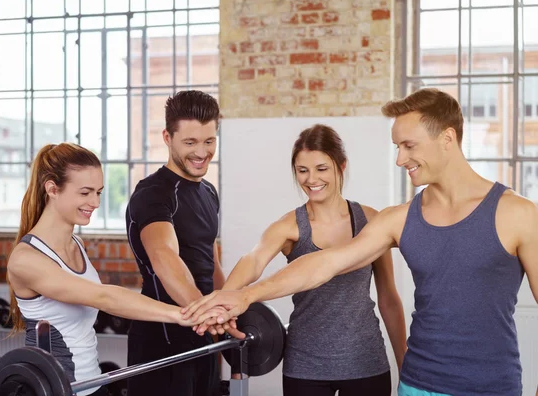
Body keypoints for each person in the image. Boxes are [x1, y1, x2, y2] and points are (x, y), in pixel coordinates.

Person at [183, 88, 538, 396]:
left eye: (409, 146)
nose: (400, 159)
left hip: (489, 387)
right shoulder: (398, 219)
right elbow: (325, 263)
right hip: (415, 383)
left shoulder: (517, 215)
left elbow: (387, 298)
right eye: (397, 147)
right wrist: (242, 295)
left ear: (447, 138)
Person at [213, 124, 406, 396]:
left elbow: (388, 298)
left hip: (365, 361)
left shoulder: (371, 221)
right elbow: (254, 260)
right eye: (302, 171)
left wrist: (403, 362)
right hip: (305, 365)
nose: (311, 179)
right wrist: (222, 301)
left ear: (341, 165)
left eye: (321, 168)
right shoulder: (290, 226)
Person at [6, 142, 209, 396]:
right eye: (85, 193)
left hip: (91, 384)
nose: (95, 202)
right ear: (52, 189)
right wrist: (183, 314)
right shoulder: (26, 259)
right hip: (55, 389)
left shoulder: (76, 245)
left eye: (99, 193)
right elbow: (103, 296)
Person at [124, 90, 236, 396]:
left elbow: (210, 264)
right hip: (162, 340)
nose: (201, 152)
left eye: (209, 141)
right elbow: (165, 259)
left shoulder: (208, 192)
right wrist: (208, 314)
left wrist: (228, 310)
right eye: (190, 142)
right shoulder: (153, 194)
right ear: (167, 137)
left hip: (202, 335)